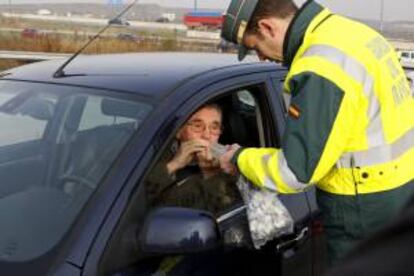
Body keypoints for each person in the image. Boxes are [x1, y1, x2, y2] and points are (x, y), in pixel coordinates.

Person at [219, 0, 414, 265]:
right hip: (401, 190)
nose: (262, 57)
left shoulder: (320, 66)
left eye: (255, 47)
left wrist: (238, 157)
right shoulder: (354, 34)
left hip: (362, 207)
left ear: (267, 27)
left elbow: (294, 173)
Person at [146, 103, 241, 216]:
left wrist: (210, 174)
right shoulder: (151, 156)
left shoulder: (228, 165)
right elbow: (138, 203)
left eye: (214, 128)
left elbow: (221, 214)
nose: (206, 135)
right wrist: (173, 165)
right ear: (179, 131)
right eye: (197, 126)